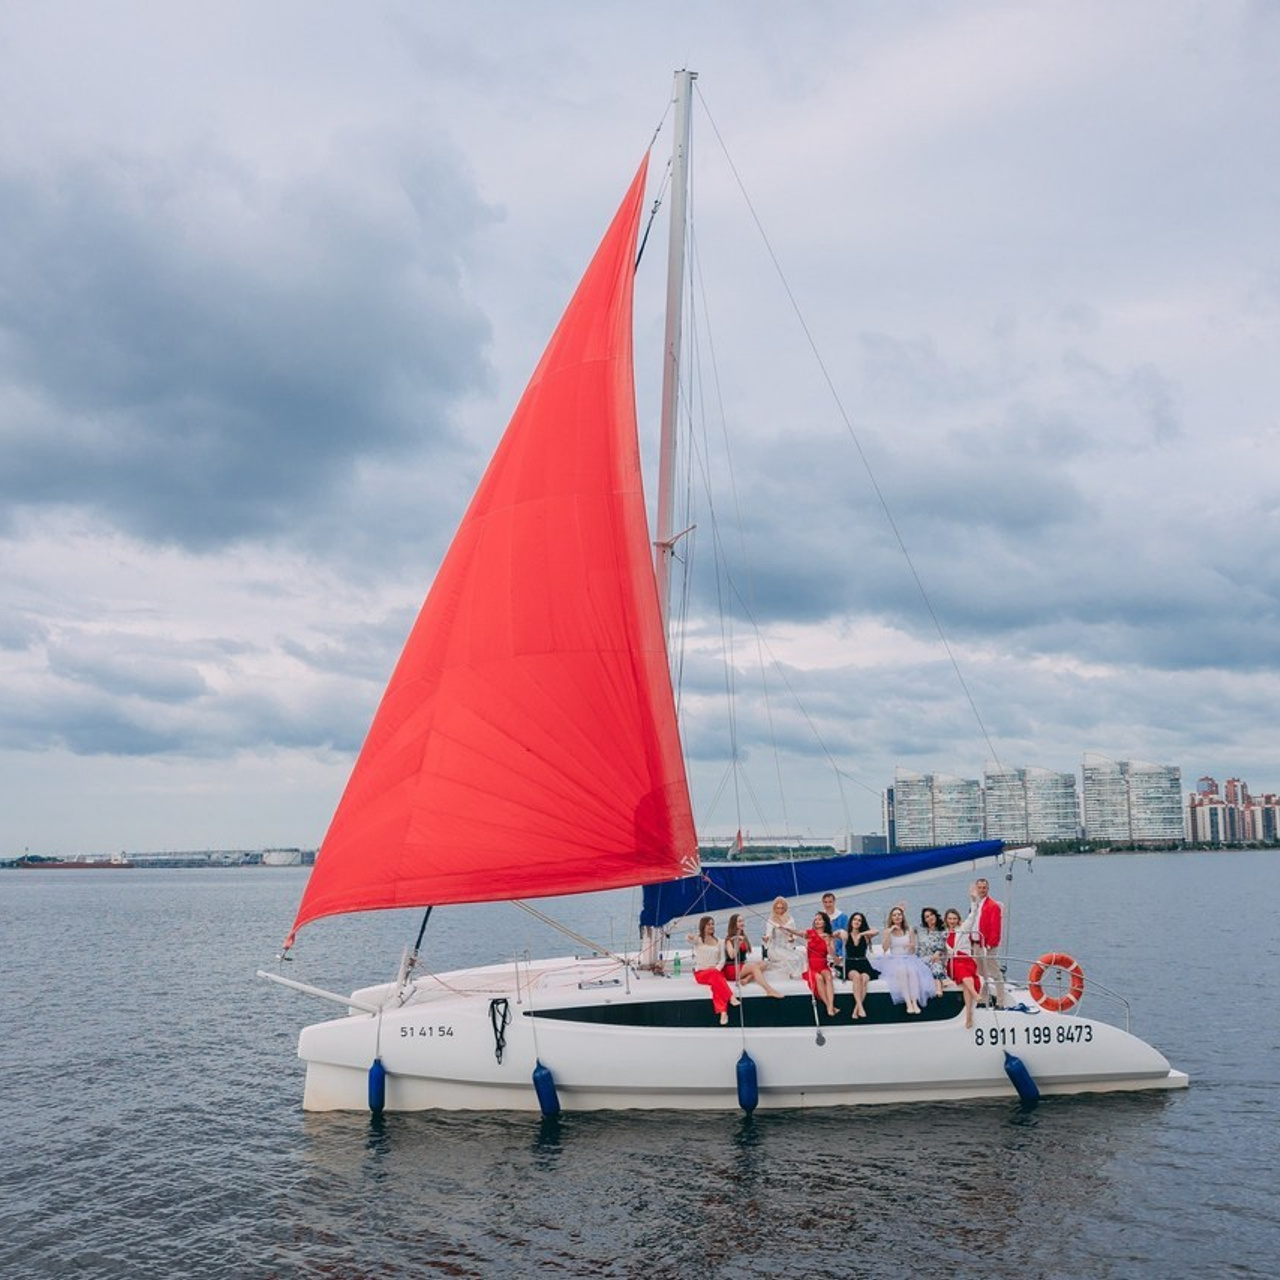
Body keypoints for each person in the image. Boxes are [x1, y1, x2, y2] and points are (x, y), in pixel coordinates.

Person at [873, 903, 934, 1015]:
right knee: (902, 971)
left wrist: (911, 946)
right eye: (894, 915)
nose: (897, 917)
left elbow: (913, 950)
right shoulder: (887, 931)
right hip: (894, 959)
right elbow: (885, 948)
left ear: (902, 916)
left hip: (909, 958)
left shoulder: (909, 930)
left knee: (912, 972)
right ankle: (908, 1003)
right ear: (891, 918)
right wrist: (889, 932)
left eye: (899, 914)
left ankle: (914, 1002)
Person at [686, 916, 739, 1025]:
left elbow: (722, 959)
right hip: (701, 973)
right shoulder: (698, 940)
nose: (711, 926)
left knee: (716, 985)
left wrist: (716, 969)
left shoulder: (720, 941)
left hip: (715, 972)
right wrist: (690, 936)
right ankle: (731, 996)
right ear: (703, 926)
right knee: (717, 978)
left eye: (712, 924)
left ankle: (723, 1012)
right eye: (708, 924)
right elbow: (688, 939)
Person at [722, 913, 784, 997]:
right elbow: (732, 955)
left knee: (764, 963)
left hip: (741, 965)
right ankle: (769, 990)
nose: (742, 923)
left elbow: (746, 953)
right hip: (732, 969)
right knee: (753, 967)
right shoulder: (729, 939)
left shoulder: (743, 937)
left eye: (742, 921)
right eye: (739, 921)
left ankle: (747, 979)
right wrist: (738, 943)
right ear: (734, 924)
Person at [944, 902, 983, 1029]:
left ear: (958, 919)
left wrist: (973, 901)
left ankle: (968, 1015)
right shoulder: (943, 933)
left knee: (966, 980)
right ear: (946, 919)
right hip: (953, 962)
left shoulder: (963, 929)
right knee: (962, 971)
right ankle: (974, 996)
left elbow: (973, 916)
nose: (952, 921)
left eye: (954, 918)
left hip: (966, 959)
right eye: (950, 919)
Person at [973, 878, 1007, 1007]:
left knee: (994, 973)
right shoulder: (976, 904)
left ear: (988, 889)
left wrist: (989, 944)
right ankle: (983, 1000)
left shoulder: (993, 906)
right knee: (981, 974)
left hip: (987, 945)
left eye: (984, 888)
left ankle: (1000, 1001)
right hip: (976, 943)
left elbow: (995, 927)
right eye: (980, 888)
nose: (982, 890)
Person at [843, 911, 877, 1019]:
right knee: (857, 977)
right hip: (851, 963)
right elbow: (834, 934)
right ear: (851, 921)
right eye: (855, 919)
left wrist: (861, 934)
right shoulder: (846, 935)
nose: (857, 922)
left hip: (863, 963)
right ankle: (860, 1007)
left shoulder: (865, 936)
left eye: (859, 920)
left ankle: (856, 1009)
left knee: (864, 978)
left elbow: (876, 931)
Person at [804, 910, 838, 1017]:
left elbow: (833, 955)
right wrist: (787, 929)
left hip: (823, 965)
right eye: (815, 920)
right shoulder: (809, 934)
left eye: (819, 919)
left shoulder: (829, 937)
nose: (817, 921)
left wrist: (827, 943)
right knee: (818, 978)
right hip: (812, 967)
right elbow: (797, 932)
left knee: (828, 977)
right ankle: (829, 1006)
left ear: (825, 922)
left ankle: (830, 1005)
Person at [762, 897, 802, 978]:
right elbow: (768, 935)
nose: (779, 910)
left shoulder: (790, 919)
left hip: (787, 947)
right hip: (775, 948)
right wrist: (766, 938)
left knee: (800, 956)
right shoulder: (771, 920)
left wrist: (792, 938)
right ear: (774, 908)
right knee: (788, 958)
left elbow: (794, 933)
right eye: (777, 908)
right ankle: (790, 975)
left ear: (785, 908)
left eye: (781, 908)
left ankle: (795, 975)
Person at [918, 906, 948, 999]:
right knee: (932, 961)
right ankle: (941, 982)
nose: (930, 917)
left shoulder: (942, 930)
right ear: (925, 920)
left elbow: (943, 944)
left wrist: (937, 952)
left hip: (936, 956)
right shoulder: (922, 930)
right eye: (927, 917)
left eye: (931, 915)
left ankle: (938, 987)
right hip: (922, 957)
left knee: (936, 962)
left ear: (935, 915)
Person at [821, 892, 849, 977]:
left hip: (839, 950)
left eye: (830, 902)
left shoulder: (843, 917)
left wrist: (840, 955)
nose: (827, 904)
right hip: (825, 949)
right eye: (825, 902)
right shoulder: (820, 917)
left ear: (834, 902)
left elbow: (847, 937)